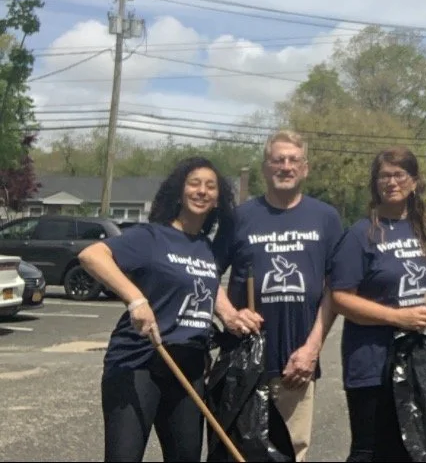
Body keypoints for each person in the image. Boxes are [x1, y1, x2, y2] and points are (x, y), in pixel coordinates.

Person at [79, 156, 234, 462]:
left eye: (210, 186)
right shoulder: (151, 236)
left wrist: (230, 315)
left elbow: (207, 287)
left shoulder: (207, 248)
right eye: (194, 184)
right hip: (140, 360)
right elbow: (92, 255)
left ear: (218, 199)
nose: (202, 191)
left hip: (189, 366)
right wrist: (136, 299)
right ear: (179, 192)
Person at [214, 129, 344, 463]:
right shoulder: (240, 217)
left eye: (293, 160)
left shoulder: (326, 218)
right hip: (244, 361)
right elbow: (204, 272)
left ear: (305, 168)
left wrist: (312, 349)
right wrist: (229, 314)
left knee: (291, 452)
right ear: (265, 168)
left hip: (295, 365)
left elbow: (335, 291)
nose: (285, 167)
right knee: (237, 453)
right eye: (278, 160)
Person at [329, 147, 426, 463]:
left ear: (415, 181)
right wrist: (398, 317)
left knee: (412, 450)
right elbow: (341, 298)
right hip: (371, 362)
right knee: (370, 451)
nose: (391, 182)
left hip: (418, 361)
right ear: (375, 183)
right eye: (384, 176)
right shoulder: (361, 234)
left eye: (399, 175)